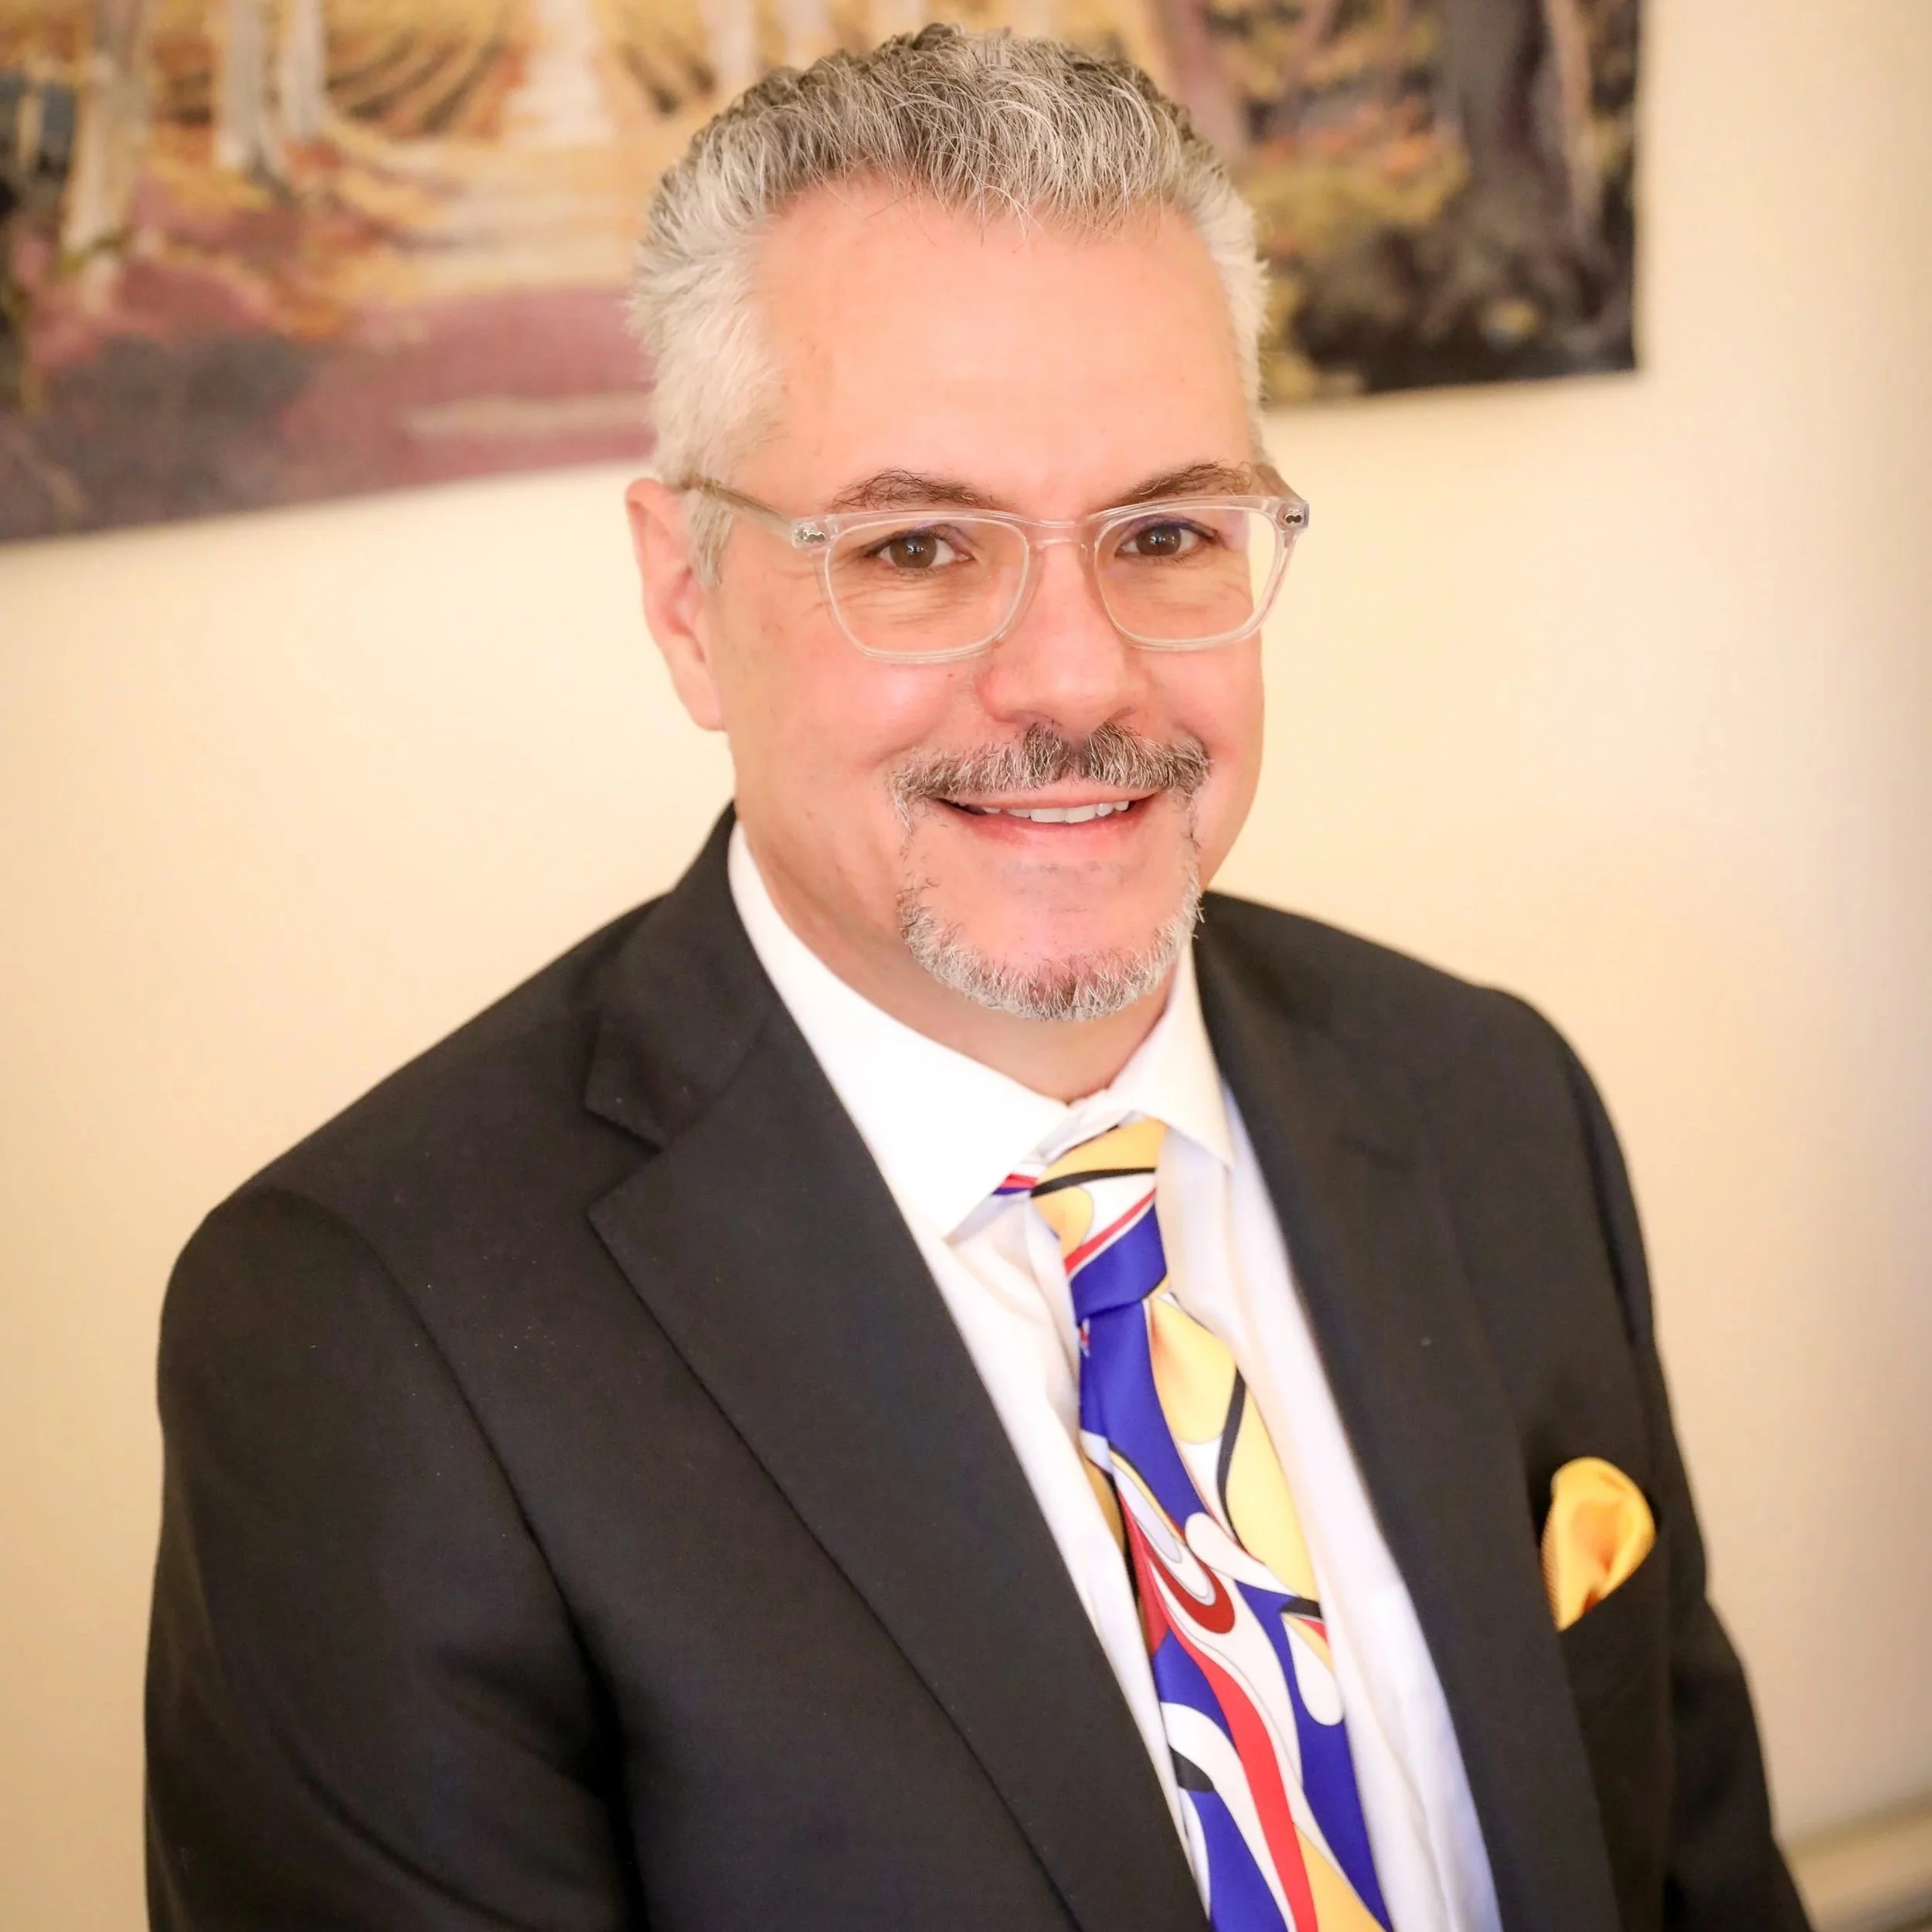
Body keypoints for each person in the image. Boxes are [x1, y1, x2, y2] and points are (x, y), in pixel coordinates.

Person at [145, 28, 1809, 1932]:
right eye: (920, 548)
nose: (1074, 680)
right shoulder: (371, 1338)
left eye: (1165, 533)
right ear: (687, 599)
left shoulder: (1492, 1098)